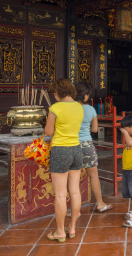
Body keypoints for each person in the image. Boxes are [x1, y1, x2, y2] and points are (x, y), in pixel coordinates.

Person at [44, 79, 84, 243]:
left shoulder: (55, 107)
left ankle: (60, 231)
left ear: (58, 93)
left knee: (60, 195)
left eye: (54, 93)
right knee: (75, 191)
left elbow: (48, 131)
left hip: (60, 150)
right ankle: (72, 228)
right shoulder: (79, 107)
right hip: (76, 149)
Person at [75, 82, 112, 213]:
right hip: (86, 144)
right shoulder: (91, 110)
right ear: (85, 96)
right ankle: (100, 203)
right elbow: (95, 129)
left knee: (73, 178)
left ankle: (75, 210)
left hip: (72, 144)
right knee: (94, 175)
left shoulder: (71, 108)